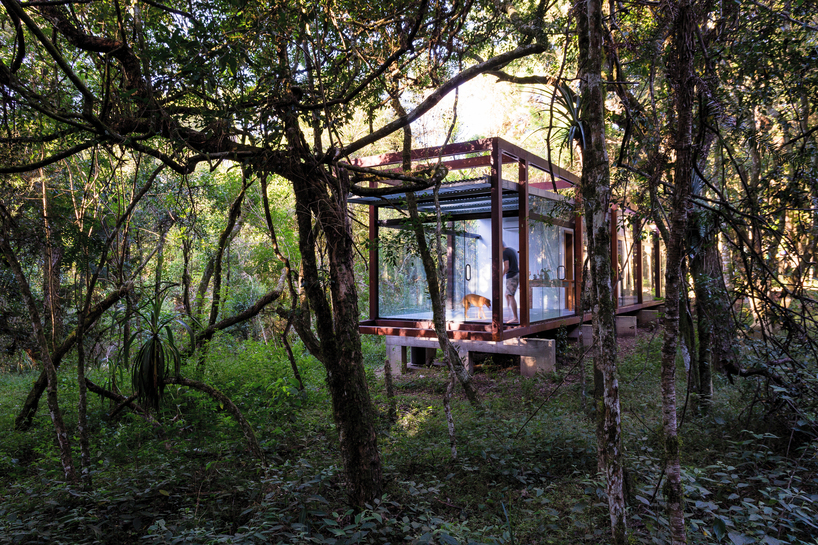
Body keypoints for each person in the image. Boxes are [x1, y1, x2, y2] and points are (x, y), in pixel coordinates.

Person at [502, 241, 519, 324]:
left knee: (510, 295)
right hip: (517, 274)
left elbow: (506, 266)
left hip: (512, 276)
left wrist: (501, 275)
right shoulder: (511, 250)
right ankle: (508, 311)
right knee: (507, 294)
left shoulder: (504, 252)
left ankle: (515, 317)